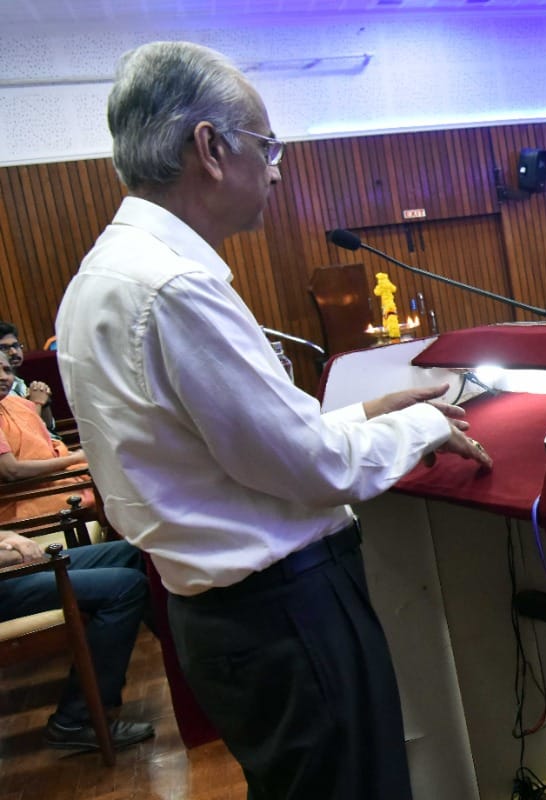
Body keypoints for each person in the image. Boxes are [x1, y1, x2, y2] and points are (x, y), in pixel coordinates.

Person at [54, 41, 493, 795]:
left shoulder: (104, 273)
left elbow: (223, 449)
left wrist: (364, 410)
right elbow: (307, 469)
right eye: (268, 146)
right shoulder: (174, 286)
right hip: (285, 611)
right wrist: (425, 426)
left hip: (223, 615)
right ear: (210, 148)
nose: (279, 169)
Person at [0, 527, 151, 752]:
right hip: (6, 583)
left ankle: (184, 671)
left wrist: (11, 538)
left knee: (131, 554)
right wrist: (16, 553)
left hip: (11, 568)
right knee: (127, 587)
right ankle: (76, 718)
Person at [0, 361, 93, 522]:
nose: (3, 377)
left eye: (7, 370)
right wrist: (75, 458)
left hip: (48, 482)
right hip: (22, 499)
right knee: (112, 491)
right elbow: (12, 472)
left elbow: (39, 441)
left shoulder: (14, 403)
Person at [0, 322, 57, 432]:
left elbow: (50, 427)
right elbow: (24, 434)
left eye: (16, 346)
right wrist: (37, 403)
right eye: (3, 348)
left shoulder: (19, 383)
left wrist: (45, 402)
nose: (13, 352)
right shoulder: (3, 388)